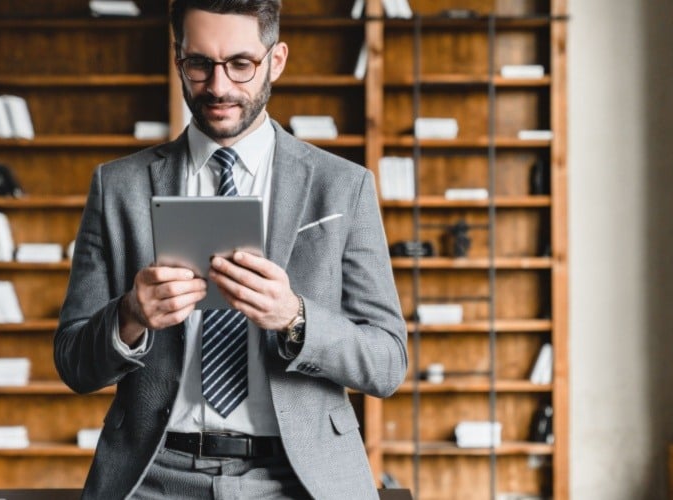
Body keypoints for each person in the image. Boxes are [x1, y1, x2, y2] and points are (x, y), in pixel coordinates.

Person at [53, 0, 408, 498]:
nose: (218, 88)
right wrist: (130, 315)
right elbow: (72, 362)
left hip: (298, 477)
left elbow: (388, 362)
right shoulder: (118, 187)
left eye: (241, 64)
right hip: (154, 475)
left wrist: (295, 317)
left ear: (276, 60)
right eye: (199, 64)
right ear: (179, 58)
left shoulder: (342, 186)